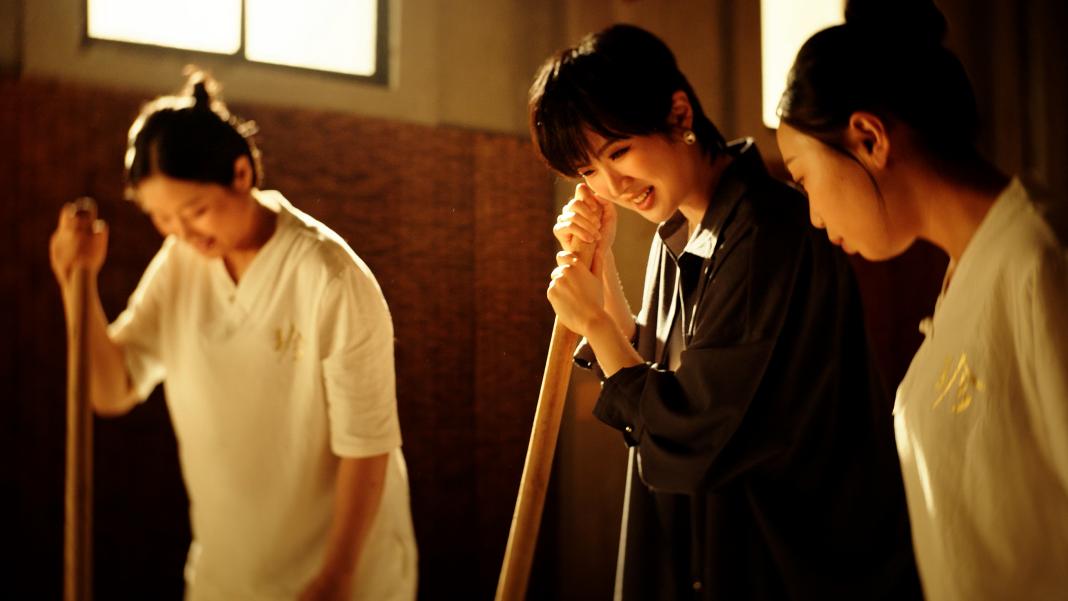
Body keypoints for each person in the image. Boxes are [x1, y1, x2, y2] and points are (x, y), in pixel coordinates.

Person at [531, 24, 922, 600]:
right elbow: (645, 372)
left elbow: (688, 427)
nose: (612, 185)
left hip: (792, 561)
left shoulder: (764, 232)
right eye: (589, 172)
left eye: (619, 152)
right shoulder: (683, 227)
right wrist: (601, 263)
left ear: (679, 114)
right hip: (718, 551)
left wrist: (592, 322)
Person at [48, 72, 417, 601]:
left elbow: (368, 446)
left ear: (241, 174)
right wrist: (76, 283)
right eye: (162, 219)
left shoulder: (329, 277)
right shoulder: (181, 262)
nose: (183, 233)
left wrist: (336, 578)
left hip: (339, 577)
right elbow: (111, 388)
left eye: (195, 211)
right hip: (226, 577)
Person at [775, 0, 1068, 599]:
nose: (814, 216)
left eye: (803, 179)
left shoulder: (1038, 261)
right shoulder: (971, 267)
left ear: (869, 138)